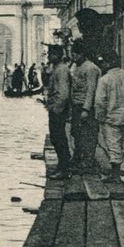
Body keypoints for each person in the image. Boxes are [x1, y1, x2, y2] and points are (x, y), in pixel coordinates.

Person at [94, 51, 124, 182]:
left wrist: (100, 117)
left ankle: (115, 175)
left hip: (111, 118)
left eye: (103, 62)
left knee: (114, 146)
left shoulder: (104, 80)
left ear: (109, 63)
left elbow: (100, 101)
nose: (101, 65)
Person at [69, 40, 101, 173]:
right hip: (76, 105)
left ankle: (88, 161)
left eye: (76, 54)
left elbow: (91, 90)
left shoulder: (91, 68)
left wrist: (86, 109)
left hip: (87, 107)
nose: (74, 57)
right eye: (73, 54)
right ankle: (78, 158)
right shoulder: (75, 67)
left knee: (88, 134)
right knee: (76, 133)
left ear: (83, 54)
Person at [44, 44, 72, 178]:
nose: (49, 57)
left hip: (58, 109)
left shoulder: (61, 70)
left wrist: (57, 108)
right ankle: (62, 166)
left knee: (58, 137)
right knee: (56, 138)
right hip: (55, 107)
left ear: (58, 55)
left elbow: (63, 92)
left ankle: (64, 169)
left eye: (51, 54)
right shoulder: (57, 68)